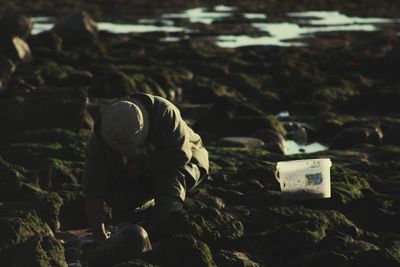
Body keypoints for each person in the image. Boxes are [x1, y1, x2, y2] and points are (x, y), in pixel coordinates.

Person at [83, 93, 209, 242]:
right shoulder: (102, 138)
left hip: (188, 162)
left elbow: (181, 155)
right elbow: (92, 190)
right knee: (118, 195)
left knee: (170, 177)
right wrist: (99, 235)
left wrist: (141, 165)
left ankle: (163, 228)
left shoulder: (164, 112)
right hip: (139, 174)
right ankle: (145, 213)